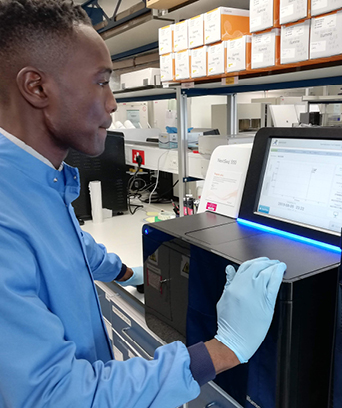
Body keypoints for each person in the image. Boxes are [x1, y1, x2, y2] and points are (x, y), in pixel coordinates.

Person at [0, 1, 287, 407]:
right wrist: (224, 350)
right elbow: (55, 396)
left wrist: (128, 270)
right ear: (37, 87)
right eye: (102, 81)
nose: (113, 103)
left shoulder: (36, 178)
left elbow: (66, 245)